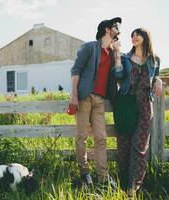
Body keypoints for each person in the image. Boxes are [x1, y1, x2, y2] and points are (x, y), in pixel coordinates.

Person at [69, 17, 122, 187]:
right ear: (108, 29)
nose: (119, 28)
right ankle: (85, 174)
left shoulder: (114, 53)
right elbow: (76, 70)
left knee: (101, 138)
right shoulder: (89, 47)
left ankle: (103, 178)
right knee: (82, 137)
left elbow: (123, 71)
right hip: (84, 97)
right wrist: (74, 95)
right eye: (116, 26)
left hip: (100, 99)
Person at [112, 28, 162, 197]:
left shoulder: (155, 60)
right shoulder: (126, 58)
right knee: (124, 146)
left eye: (137, 34)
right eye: (132, 35)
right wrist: (117, 54)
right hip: (126, 103)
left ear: (145, 37)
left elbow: (154, 78)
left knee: (140, 147)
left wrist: (159, 80)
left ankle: (133, 188)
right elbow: (118, 76)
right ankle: (123, 183)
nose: (133, 37)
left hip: (145, 106)